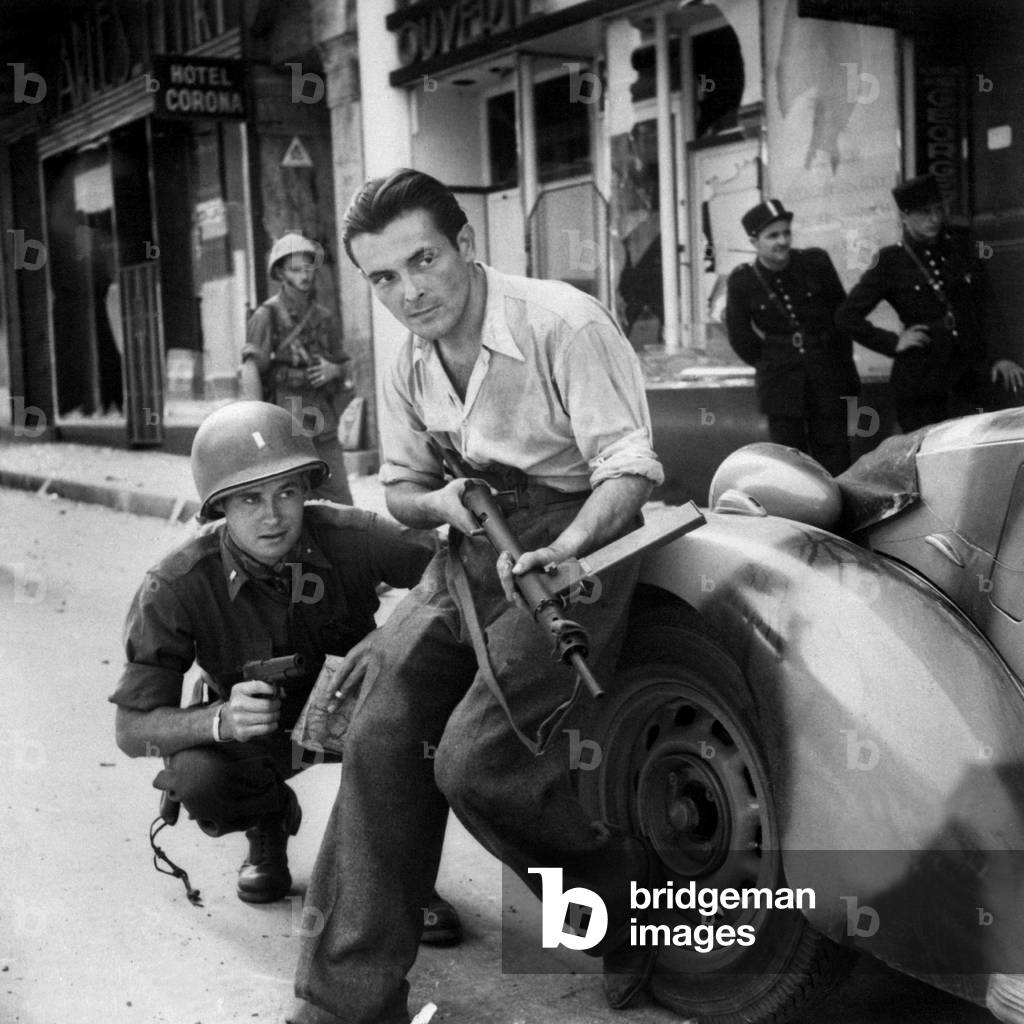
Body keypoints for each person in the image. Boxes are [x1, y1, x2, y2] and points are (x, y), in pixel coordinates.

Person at [289, 169, 664, 1024]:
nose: (409, 292)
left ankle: (635, 922)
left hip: (582, 542)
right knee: (380, 732)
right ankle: (346, 1000)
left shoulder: (561, 322)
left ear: (465, 243)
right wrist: (440, 505)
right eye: (382, 278)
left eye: (423, 259)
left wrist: (564, 550)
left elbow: (631, 471)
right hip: (469, 550)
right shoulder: (407, 362)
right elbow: (402, 487)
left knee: (478, 763)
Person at [110, 400, 461, 942]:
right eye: (249, 498)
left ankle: (404, 878)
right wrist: (221, 720)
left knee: (424, 726)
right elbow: (133, 729)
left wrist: (390, 637)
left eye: (287, 493)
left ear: (306, 491)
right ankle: (268, 819)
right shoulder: (177, 586)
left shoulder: (352, 536)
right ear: (219, 506)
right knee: (199, 777)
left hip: (363, 714)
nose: (272, 516)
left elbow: (455, 569)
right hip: (259, 734)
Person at [836, 173, 1024, 432]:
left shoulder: (960, 248)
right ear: (904, 216)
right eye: (924, 213)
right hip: (921, 381)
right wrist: (894, 342)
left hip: (969, 374)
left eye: (938, 210)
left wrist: (1002, 356)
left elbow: (986, 306)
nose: (934, 219)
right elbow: (847, 316)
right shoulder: (891, 261)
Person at [725, 199, 859, 475]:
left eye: (786, 232)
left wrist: (844, 371)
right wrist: (771, 361)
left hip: (827, 376)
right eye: (773, 235)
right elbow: (740, 336)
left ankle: (842, 514)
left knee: (835, 453)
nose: (783, 241)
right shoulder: (743, 281)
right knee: (790, 461)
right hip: (781, 384)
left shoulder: (815, 263)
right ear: (754, 241)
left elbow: (841, 317)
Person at [241, 232, 354, 505]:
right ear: (280, 272)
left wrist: (334, 371)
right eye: (295, 269)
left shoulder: (324, 318)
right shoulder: (266, 315)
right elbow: (251, 367)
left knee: (338, 500)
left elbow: (347, 367)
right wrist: (258, 424)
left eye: (307, 268)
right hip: (286, 417)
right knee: (292, 498)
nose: (304, 275)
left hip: (321, 416)